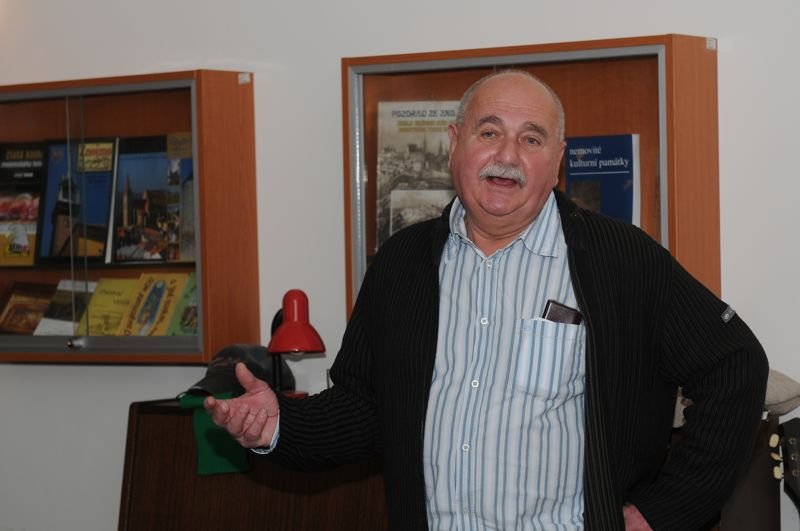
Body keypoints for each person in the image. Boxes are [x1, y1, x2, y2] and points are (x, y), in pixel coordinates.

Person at [205, 70, 768, 530]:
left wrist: (663, 512)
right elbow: (365, 406)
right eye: (489, 132)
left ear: (557, 159)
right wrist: (279, 426)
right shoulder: (402, 264)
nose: (508, 156)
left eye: (531, 139)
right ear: (455, 143)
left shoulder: (621, 260)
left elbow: (734, 364)